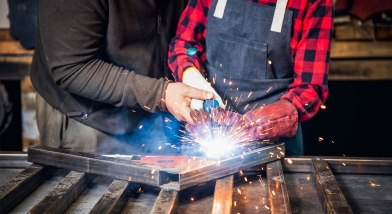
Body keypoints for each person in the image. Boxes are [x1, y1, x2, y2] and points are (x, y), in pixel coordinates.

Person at [30, 0, 215, 154]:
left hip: (154, 111)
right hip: (88, 117)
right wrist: (160, 94)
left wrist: (190, 77)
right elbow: (72, 68)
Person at [168, 0, 334, 155]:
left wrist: (253, 125)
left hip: (274, 143)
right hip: (205, 133)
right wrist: (192, 78)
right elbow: (184, 44)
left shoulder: (312, 2)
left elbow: (310, 87)